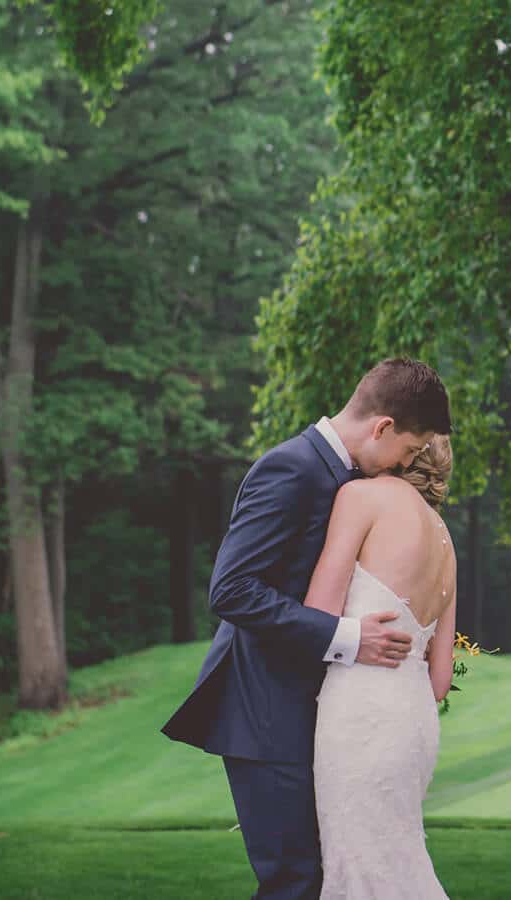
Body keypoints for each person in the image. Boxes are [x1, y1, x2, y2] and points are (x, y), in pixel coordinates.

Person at [162, 358, 450, 900]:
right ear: (382, 427)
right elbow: (231, 591)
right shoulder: (291, 467)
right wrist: (349, 637)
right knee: (296, 882)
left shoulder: (354, 485)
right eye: (410, 450)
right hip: (264, 710)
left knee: (323, 878)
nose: (409, 464)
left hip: (312, 712)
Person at [303, 433, 457, 899]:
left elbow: (317, 618)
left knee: (361, 868)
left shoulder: (361, 498)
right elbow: (440, 680)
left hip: (362, 715)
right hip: (413, 722)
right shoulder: (445, 539)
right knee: (397, 860)